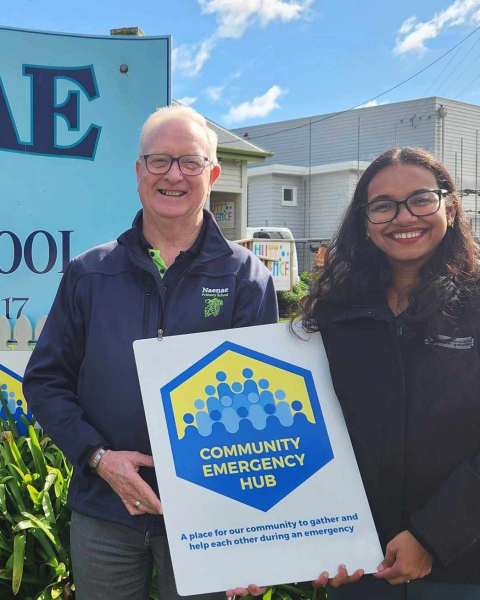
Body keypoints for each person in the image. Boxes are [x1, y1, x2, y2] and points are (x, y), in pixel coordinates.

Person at [23, 105, 278, 600]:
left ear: (213, 174)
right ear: (139, 173)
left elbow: (263, 413)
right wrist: (97, 457)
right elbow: (45, 380)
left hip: (210, 516)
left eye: (190, 162)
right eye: (159, 161)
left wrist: (254, 535)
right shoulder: (90, 272)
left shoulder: (246, 279)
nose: (173, 175)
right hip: (106, 511)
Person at [229, 147, 480, 599]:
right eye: (383, 205)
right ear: (364, 221)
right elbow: (300, 433)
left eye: (421, 199)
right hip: (360, 565)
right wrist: (289, 540)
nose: (404, 218)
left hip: (464, 566)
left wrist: (431, 538)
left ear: (449, 204)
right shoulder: (334, 313)